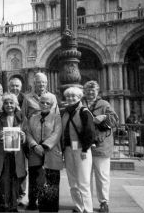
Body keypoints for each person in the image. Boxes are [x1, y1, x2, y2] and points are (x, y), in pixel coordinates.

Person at [82, 81, 118, 213]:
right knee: (85, 176)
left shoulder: (104, 104)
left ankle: (104, 202)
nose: (90, 92)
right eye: (88, 90)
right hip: (85, 145)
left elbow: (115, 120)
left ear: (97, 92)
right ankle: (87, 202)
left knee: (102, 176)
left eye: (93, 90)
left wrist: (103, 117)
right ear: (84, 91)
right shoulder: (81, 104)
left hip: (101, 145)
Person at [24, 93, 63, 212]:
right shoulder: (33, 117)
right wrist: (34, 145)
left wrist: (45, 146)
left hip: (51, 153)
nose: (45, 104)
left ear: (52, 104)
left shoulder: (57, 117)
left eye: (48, 103)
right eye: (42, 102)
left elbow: (57, 133)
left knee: (52, 183)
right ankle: (40, 206)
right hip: (35, 153)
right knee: (38, 182)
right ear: (39, 103)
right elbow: (28, 132)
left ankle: (51, 208)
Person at [0, 93, 27, 212]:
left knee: (16, 180)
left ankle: (13, 205)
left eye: (11, 103)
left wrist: (23, 136)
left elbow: (27, 133)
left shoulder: (22, 117)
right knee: (3, 180)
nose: (9, 105)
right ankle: (3, 203)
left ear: (16, 104)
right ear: (3, 105)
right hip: (3, 154)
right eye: (6, 103)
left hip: (17, 155)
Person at [62, 87, 95, 213]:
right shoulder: (65, 112)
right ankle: (79, 206)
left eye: (73, 96)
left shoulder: (84, 111)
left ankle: (88, 209)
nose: (70, 98)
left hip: (82, 149)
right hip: (69, 149)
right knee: (72, 181)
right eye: (68, 96)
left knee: (84, 182)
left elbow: (90, 132)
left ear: (79, 97)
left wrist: (85, 149)